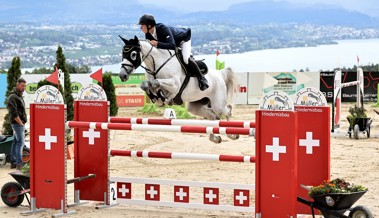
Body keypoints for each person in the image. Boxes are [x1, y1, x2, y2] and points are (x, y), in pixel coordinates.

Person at [138, 14, 209, 91]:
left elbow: (172, 45)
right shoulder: (148, 35)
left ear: (149, 26)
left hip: (183, 40)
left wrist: (157, 44)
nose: (141, 27)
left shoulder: (162, 28)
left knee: (185, 59)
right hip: (170, 44)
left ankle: (202, 79)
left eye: (142, 25)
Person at [7, 78, 27, 170]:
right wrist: (21, 123)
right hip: (17, 124)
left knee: (15, 142)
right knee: (20, 143)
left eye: (25, 86)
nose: (24, 88)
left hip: (18, 123)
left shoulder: (18, 96)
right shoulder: (13, 97)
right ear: (17, 85)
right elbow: (14, 112)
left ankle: (13, 162)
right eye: (22, 86)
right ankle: (19, 164)